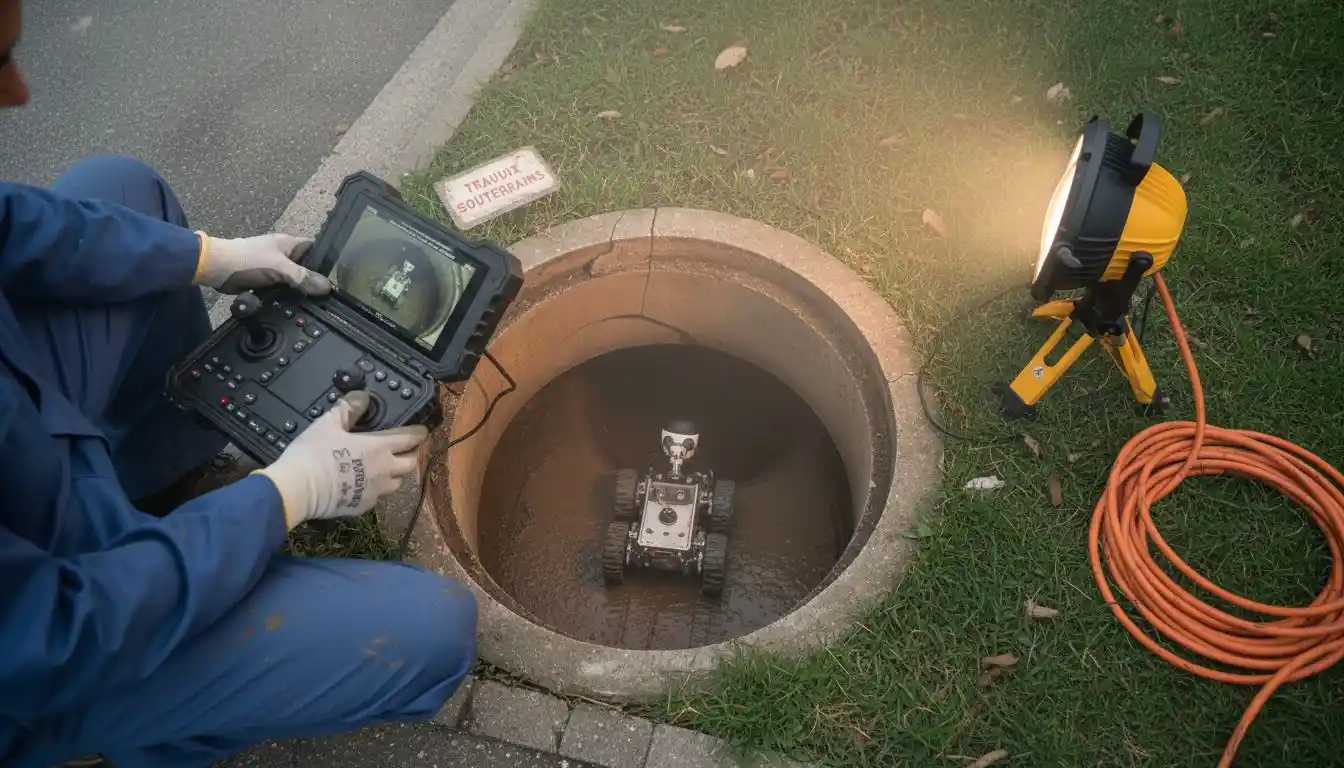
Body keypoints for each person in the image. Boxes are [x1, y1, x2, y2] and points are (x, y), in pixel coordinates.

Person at [0, 2, 478, 766]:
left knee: (120, 188)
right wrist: (287, 494)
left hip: (28, 438)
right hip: (48, 657)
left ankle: (167, 479)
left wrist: (211, 257)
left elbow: (15, 226)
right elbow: (55, 639)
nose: (22, 92)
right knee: (430, 630)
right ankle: (139, 737)